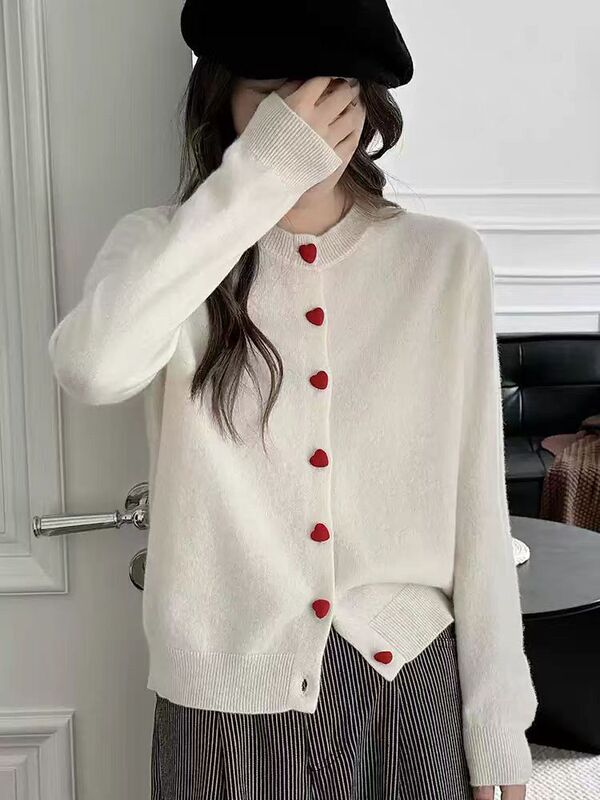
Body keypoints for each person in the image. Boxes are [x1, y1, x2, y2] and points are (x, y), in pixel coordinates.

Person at [47, 1, 538, 798]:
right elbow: (92, 368)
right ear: (224, 99)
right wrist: (259, 178)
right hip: (224, 702)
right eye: (276, 95)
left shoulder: (445, 261)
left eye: (330, 89)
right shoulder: (162, 249)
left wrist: (499, 731)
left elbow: (479, 513)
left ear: (365, 100)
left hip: (407, 682)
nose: (307, 120)